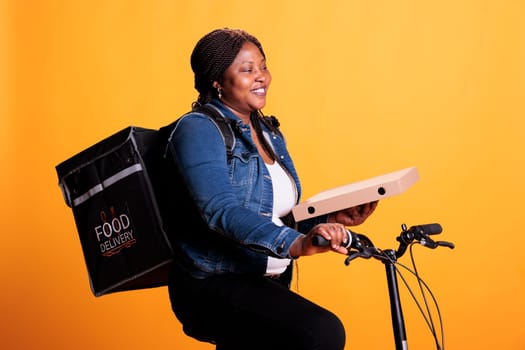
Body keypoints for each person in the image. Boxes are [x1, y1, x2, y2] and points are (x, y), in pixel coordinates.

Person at [162, 28, 378, 350]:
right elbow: (222, 211)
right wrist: (293, 244)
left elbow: (273, 216)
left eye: (262, 66)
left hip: (264, 280)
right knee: (321, 332)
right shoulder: (197, 129)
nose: (261, 77)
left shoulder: (267, 131)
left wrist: (332, 215)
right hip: (212, 283)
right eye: (247, 70)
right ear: (217, 80)